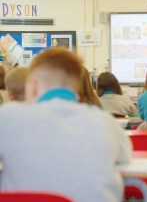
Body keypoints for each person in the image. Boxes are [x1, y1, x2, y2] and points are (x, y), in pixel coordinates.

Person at [0, 48, 132, 202]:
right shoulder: (105, 122)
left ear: (33, 86)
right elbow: (124, 158)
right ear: (77, 87)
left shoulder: (8, 116)